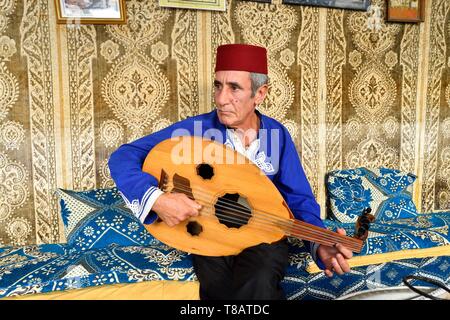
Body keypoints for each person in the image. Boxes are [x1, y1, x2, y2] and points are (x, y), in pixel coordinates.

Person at [108, 43, 353, 300]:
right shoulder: (196, 130)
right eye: (218, 86)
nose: (221, 98)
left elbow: (298, 198)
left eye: (234, 88)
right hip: (210, 235)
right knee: (217, 286)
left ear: (260, 94)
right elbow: (123, 156)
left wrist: (319, 243)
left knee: (259, 278)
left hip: (264, 236)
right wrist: (157, 199)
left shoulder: (276, 134)